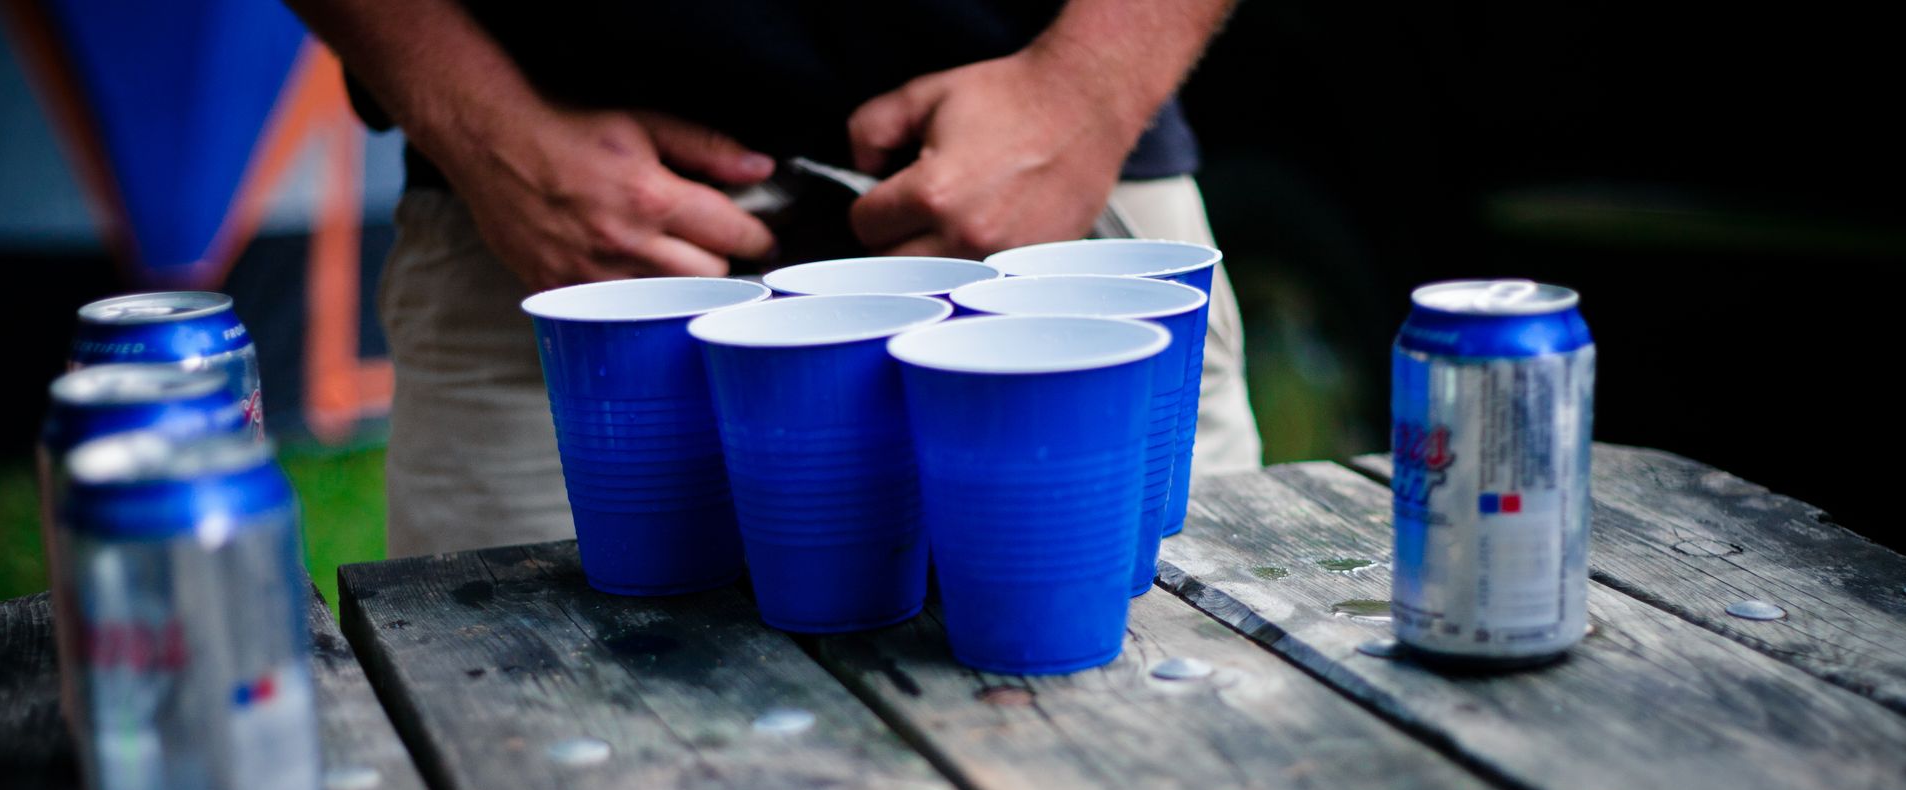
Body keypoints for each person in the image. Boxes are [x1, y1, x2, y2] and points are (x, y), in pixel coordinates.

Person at [288, 0, 1262, 557]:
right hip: (561, 267)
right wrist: (477, 122)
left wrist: (1091, 85)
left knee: (1153, 785)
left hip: (1064, 251)